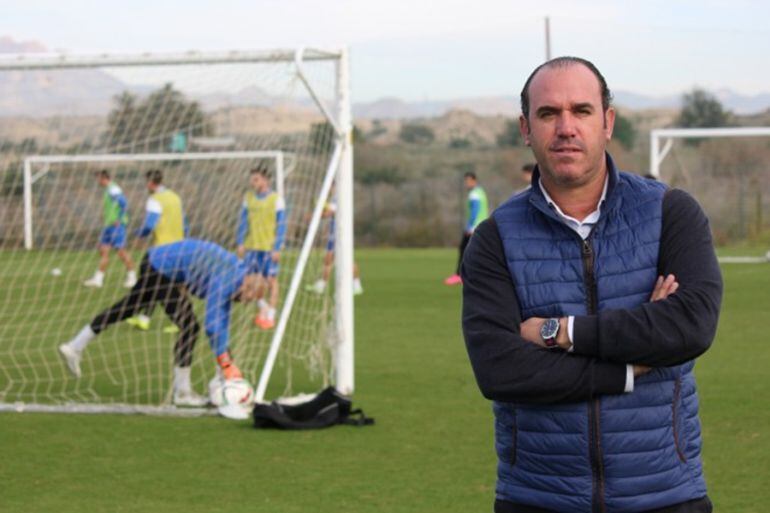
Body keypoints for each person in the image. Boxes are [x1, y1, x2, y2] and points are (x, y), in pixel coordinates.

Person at [461, 56, 721, 513]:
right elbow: (501, 370)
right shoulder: (494, 238)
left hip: (665, 494)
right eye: (548, 114)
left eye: (581, 111)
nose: (565, 127)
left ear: (607, 122)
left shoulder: (670, 213)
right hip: (537, 497)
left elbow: (689, 327)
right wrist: (629, 366)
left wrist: (559, 332)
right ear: (525, 129)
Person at [59, 239, 258, 406]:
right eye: (246, 299)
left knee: (128, 308)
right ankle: (183, 393)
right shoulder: (226, 280)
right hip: (161, 268)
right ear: (246, 286)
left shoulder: (238, 273)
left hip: (159, 262)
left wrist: (225, 363)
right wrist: (225, 363)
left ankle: (75, 346)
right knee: (189, 327)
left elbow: (220, 320)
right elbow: (214, 325)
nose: (243, 303)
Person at [125, 169, 186, 332]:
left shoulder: (154, 199)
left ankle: (180, 320)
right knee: (155, 283)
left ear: (150, 183)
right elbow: (184, 221)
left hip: (161, 250)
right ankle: (144, 318)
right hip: (179, 246)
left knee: (159, 284)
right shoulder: (175, 197)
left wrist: (139, 234)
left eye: (146, 182)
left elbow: (150, 224)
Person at [236, 165, 286, 329]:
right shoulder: (248, 197)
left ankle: (270, 315)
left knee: (271, 280)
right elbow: (243, 221)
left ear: (265, 180)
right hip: (252, 246)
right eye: (252, 179)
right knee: (248, 281)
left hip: (269, 247)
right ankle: (263, 306)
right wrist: (240, 242)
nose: (253, 182)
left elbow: (281, 225)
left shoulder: (276, 199)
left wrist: (277, 247)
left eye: (256, 179)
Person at [83, 170, 137, 288]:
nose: (97, 182)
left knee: (121, 252)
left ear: (103, 178)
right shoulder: (107, 190)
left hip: (116, 226)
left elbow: (124, 203)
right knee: (103, 250)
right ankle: (98, 279)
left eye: (98, 179)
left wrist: (120, 218)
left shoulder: (114, 189)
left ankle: (132, 277)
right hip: (108, 226)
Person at [307, 197, 364, 296]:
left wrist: (315, 214)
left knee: (345, 260)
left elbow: (330, 212)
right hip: (335, 233)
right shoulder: (335, 198)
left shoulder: (340, 196)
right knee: (328, 259)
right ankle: (322, 285)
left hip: (340, 233)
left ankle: (356, 285)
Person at [444, 171, 488, 286]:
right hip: (481, 226)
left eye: (468, 181)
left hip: (474, 227)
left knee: (464, 249)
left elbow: (475, 211)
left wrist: (470, 226)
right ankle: (477, 274)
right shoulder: (481, 192)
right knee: (476, 251)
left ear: (474, 180)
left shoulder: (474, 194)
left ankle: (459, 275)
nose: (466, 183)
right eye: (465, 181)